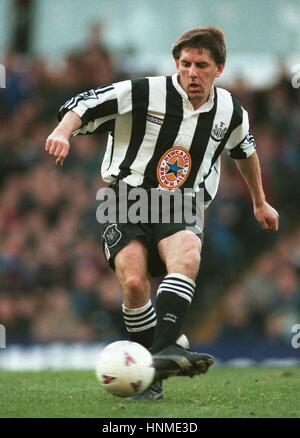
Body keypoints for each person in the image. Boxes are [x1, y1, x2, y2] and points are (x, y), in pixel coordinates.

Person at [45, 27, 279, 400]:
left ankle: (164, 350)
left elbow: (244, 150)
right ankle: (154, 369)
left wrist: (259, 202)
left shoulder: (230, 110)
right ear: (176, 64)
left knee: (187, 254)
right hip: (125, 197)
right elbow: (86, 103)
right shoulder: (145, 91)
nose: (191, 72)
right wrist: (62, 132)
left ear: (219, 69)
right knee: (135, 284)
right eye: (185, 64)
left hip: (180, 200)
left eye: (201, 65)